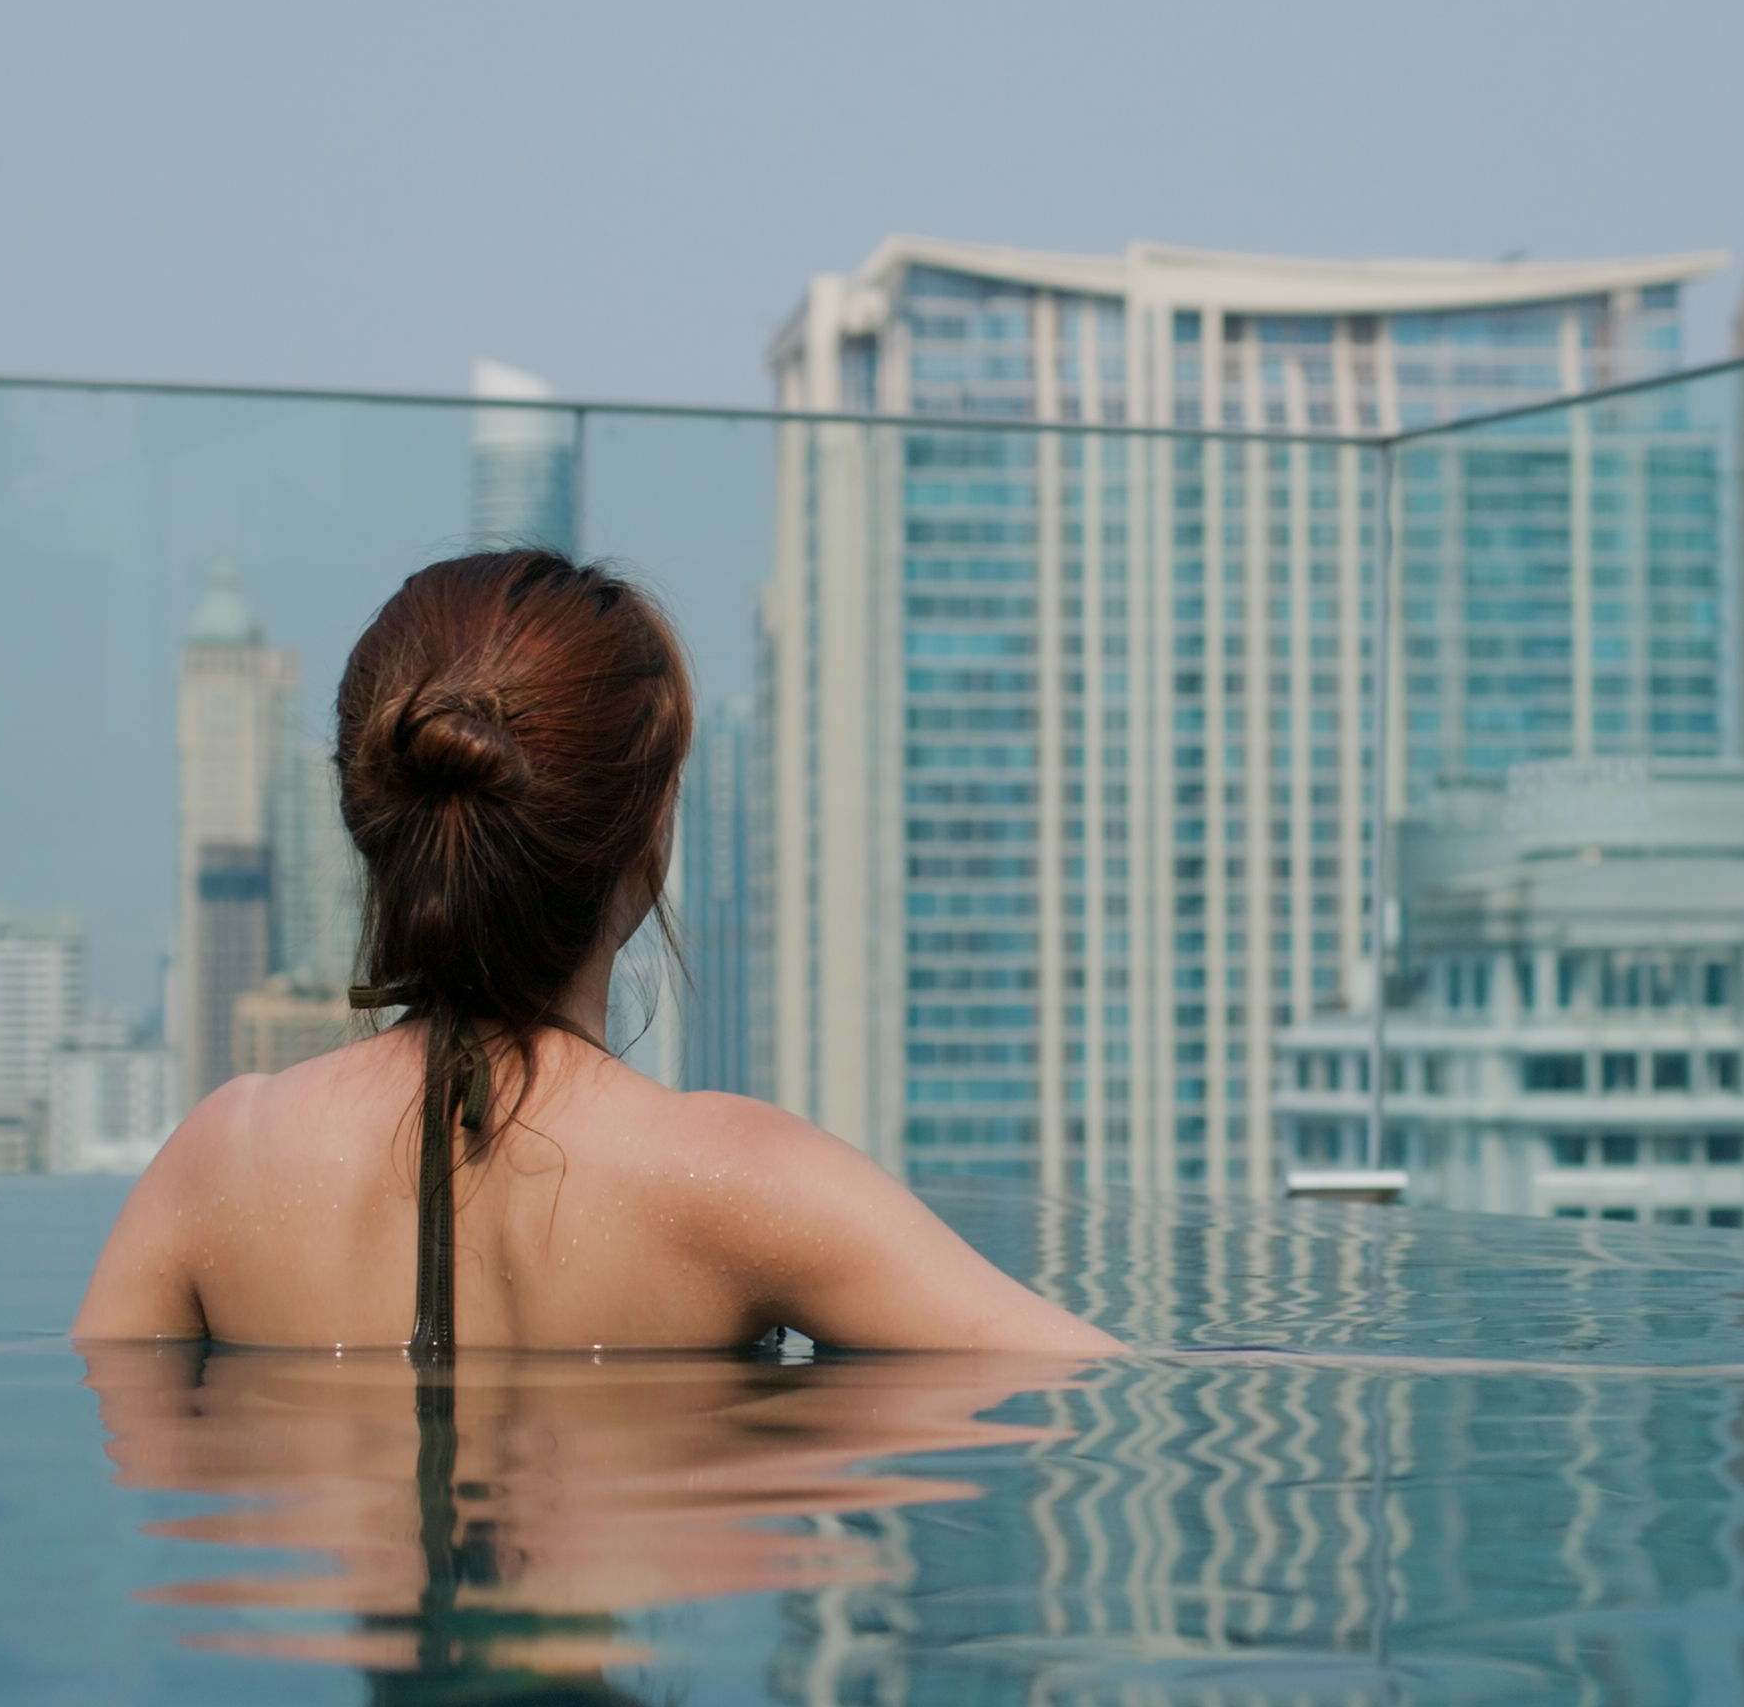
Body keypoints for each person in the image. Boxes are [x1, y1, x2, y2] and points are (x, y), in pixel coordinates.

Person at [76, 550, 1114, 1357]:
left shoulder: (221, 1158)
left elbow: (137, 1474)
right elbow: (1082, 1377)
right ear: (649, 837)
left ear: (370, 820)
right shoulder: (740, 1181)